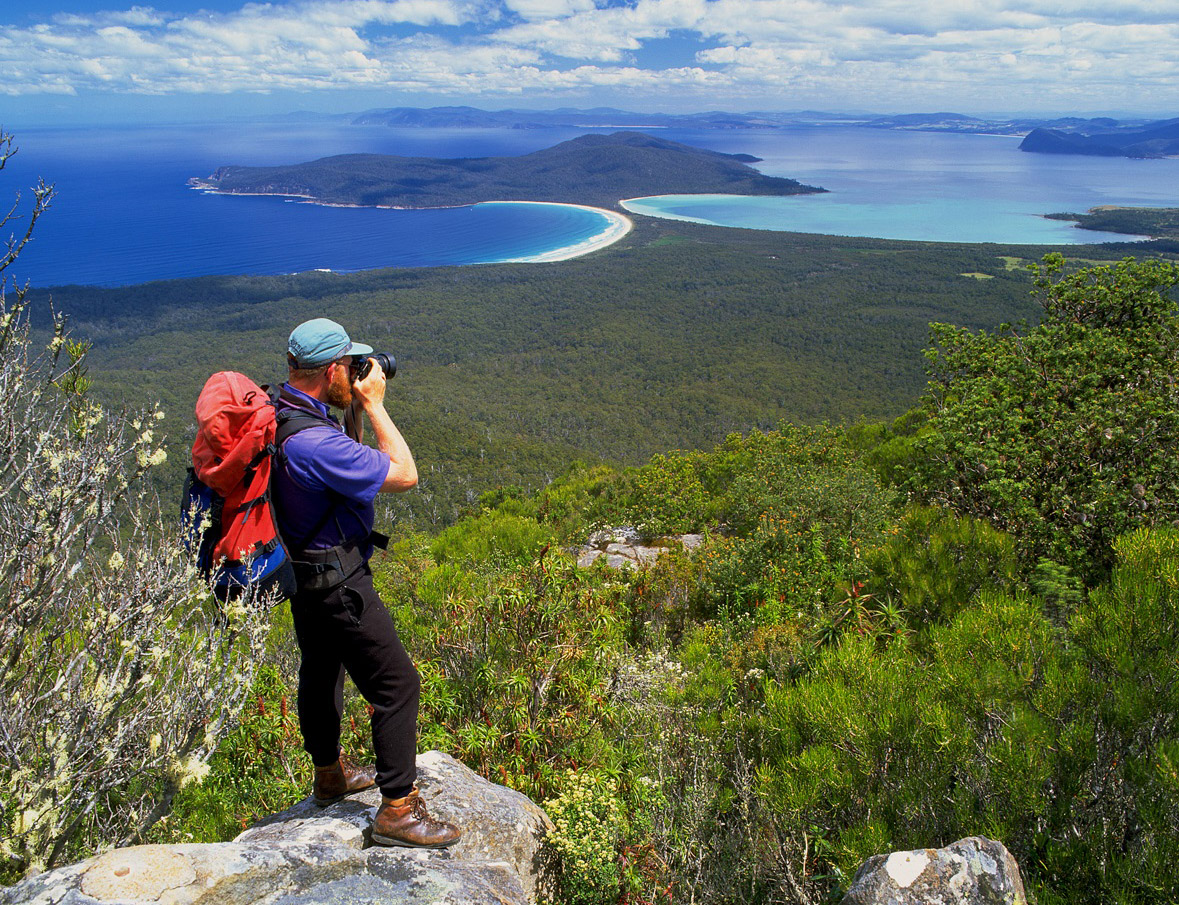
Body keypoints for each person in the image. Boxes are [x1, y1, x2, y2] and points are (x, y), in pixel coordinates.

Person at [272, 317, 460, 849]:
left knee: (322, 670)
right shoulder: (315, 444)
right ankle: (398, 811)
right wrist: (374, 404)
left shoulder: (284, 414)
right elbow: (404, 474)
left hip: (303, 576)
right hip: (341, 582)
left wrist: (349, 407)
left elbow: (334, 468)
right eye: (349, 367)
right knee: (397, 685)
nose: (358, 373)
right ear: (333, 369)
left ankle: (329, 776)